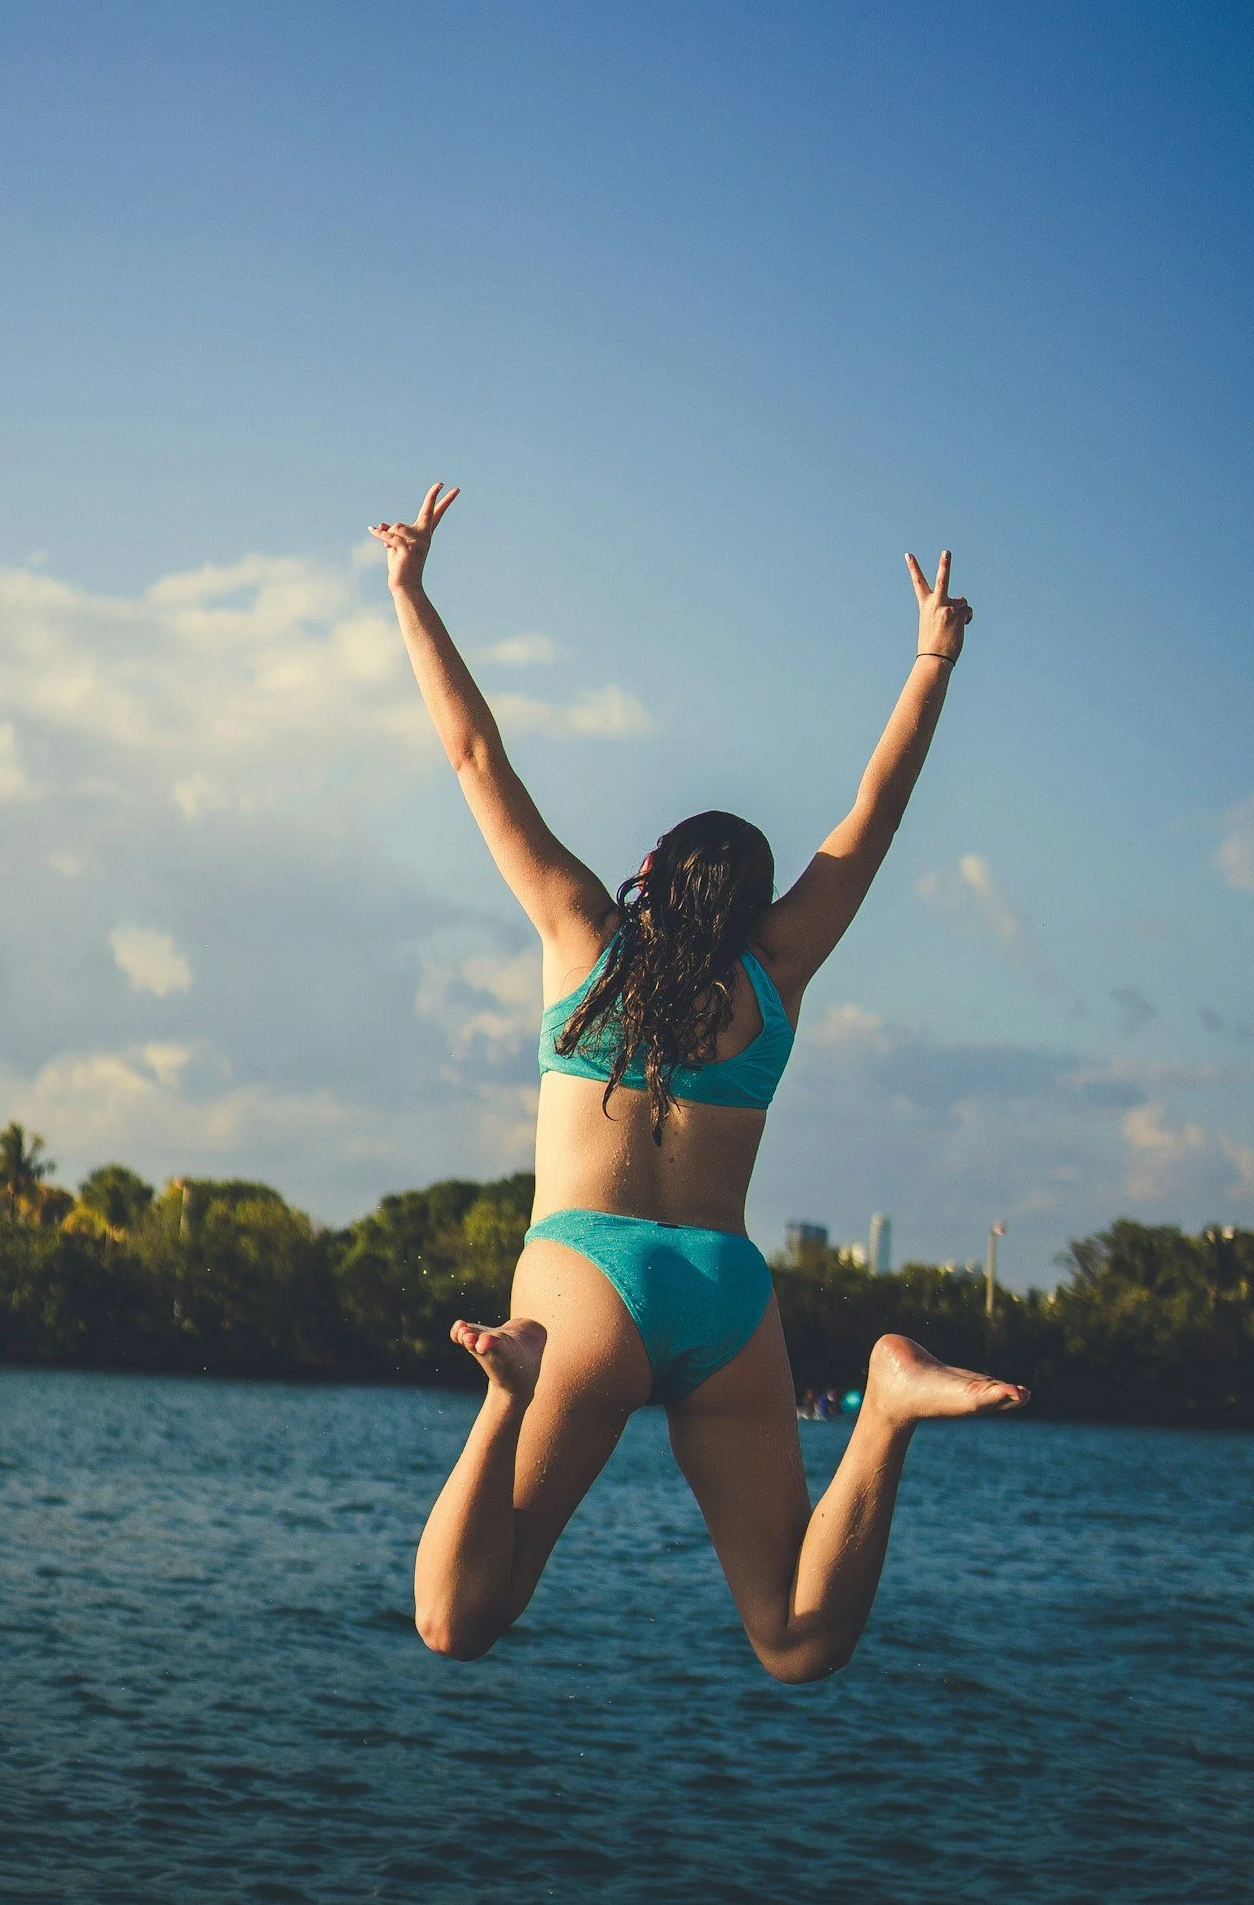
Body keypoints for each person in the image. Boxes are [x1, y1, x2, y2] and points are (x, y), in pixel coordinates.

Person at [371, 485, 1028, 1684]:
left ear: (649, 871)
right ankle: (884, 1407)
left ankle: (503, 1397)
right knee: (793, 1641)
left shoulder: (581, 938)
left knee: (456, 1622)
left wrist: (409, 593)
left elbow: (473, 756)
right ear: (752, 904)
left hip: (584, 1287)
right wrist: (931, 658)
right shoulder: (776, 969)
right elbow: (873, 816)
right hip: (726, 1298)